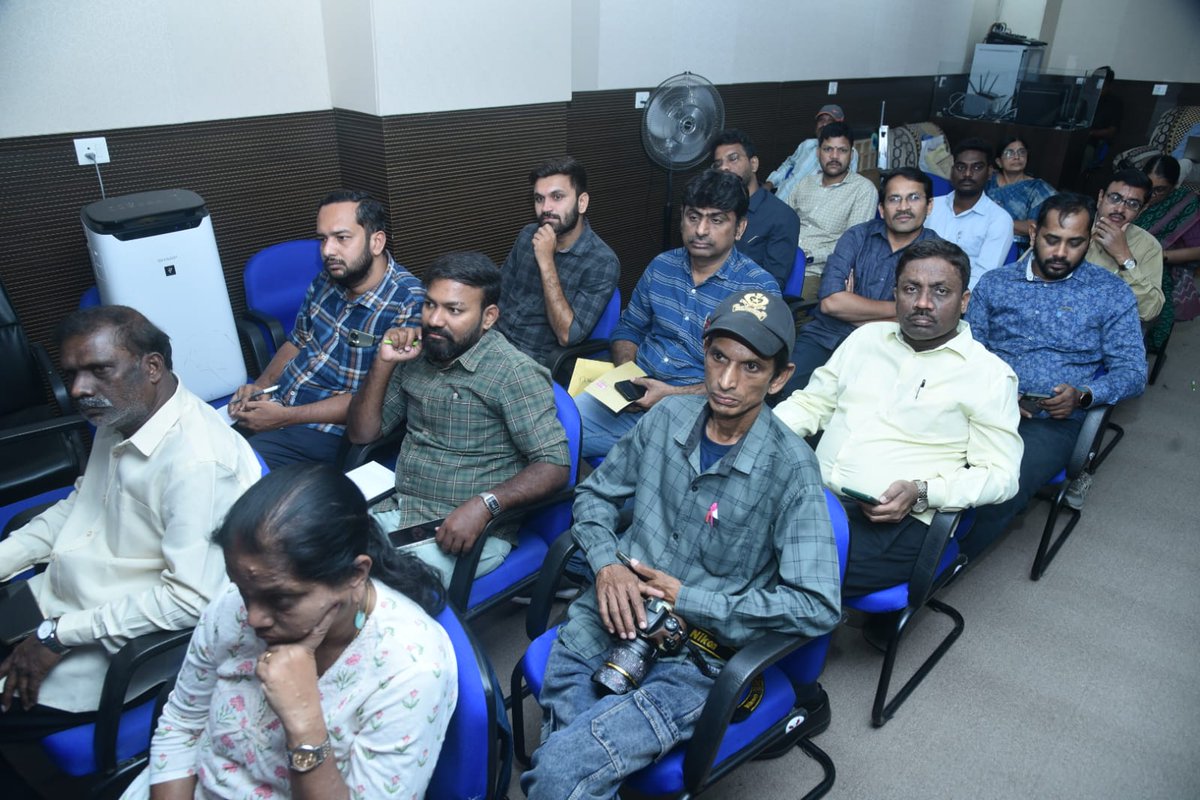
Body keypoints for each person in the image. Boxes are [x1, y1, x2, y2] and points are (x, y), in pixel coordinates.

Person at [522, 290, 842, 799]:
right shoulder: (665, 418)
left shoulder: (792, 470)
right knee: (567, 772)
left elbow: (817, 607)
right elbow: (596, 495)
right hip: (609, 612)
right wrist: (607, 566)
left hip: (694, 658)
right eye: (718, 358)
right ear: (705, 352)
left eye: (751, 367)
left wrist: (688, 598)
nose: (727, 381)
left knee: (557, 773)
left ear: (780, 377)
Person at [0, 306, 262, 798]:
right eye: (72, 373)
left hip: (121, 645)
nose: (78, 389)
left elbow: (190, 599)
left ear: (153, 367)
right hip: (62, 601)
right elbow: (82, 507)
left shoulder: (198, 463)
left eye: (98, 370)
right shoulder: (122, 414)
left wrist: (58, 635)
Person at [120, 463, 457, 800]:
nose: (252, 619)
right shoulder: (247, 594)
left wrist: (305, 721)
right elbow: (182, 723)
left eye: (281, 600)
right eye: (242, 591)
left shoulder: (410, 669)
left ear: (355, 574)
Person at [775, 239, 1021, 590]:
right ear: (895, 294)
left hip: (895, 523)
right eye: (910, 289)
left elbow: (1001, 476)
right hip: (813, 496)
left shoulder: (989, 376)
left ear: (964, 301)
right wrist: (759, 434)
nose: (922, 303)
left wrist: (922, 492)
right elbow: (812, 404)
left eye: (940, 291)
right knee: (725, 532)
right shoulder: (866, 339)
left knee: (795, 573)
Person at [347, 251, 570, 585]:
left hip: (466, 528)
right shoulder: (420, 354)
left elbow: (555, 464)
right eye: (430, 305)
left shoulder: (513, 372)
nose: (435, 320)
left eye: (454, 310)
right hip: (402, 508)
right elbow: (362, 435)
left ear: (488, 317)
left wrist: (485, 505)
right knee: (318, 551)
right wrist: (383, 361)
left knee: (370, 587)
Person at [965, 193, 1146, 556]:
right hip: (982, 402)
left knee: (1004, 486)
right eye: (1052, 239)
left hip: (1052, 418)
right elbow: (970, 353)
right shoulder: (996, 284)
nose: (1062, 252)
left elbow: (1133, 370)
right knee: (920, 456)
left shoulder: (1109, 292)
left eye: (1075, 242)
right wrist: (994, 392)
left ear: (1089, 240)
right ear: (1033, 234)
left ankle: (935, 569)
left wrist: (1084, 394)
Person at [575, 169, 778, 460]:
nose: (701, 230)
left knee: (649, 475)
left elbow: (750, 380)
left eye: (716, 220)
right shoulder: (661, 266)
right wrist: (629, 376)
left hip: (701, 410)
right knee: (555, 432)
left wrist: (669, 394)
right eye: (693, 217)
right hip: (634, 396)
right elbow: (629, 328)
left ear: (740, 228)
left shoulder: (755, 291)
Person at [228, 190, 425, 469]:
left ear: (376, 241)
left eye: (342, 238)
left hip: (323, 431)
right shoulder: (328, 278)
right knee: (201, 443)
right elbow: (297, 342)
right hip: (280, 403)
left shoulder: (409, 302)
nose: (327, 250)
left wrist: (284, 417)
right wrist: (259, 388)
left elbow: (378, 402)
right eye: (323, 239)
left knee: (232, 471)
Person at [778, 167, 942, 397]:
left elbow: (926, 319)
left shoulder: (939, 255)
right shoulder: (857, 237)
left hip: (891, 347)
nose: (903, 207)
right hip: (827, 336)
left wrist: (853, 307)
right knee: (784, 392)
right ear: (882, 209)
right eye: (894, 199)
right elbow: (831, 303)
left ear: (930, 205)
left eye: (913, 198)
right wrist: (900, 308)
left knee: (861, 406)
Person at [495, 156, 621, 366]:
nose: (546, 208)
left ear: (582, 203)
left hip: (535, 363)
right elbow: (499, 294)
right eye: (539, 199)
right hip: (495, 344)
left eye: (557, 197)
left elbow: (567, 334)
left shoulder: (602, 261)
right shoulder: (528, 235)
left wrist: (546, 261)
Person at [785, 120, 878, 300]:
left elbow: (852, 246)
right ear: (818, 152)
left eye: (842, 150)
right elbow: (783, 222)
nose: (834, 156)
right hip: (782, 262)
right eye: (828, 149)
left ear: (851, 154)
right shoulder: (805, 183)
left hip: (816, 272)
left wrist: (807, 256)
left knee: (785, 312)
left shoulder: (863, 190)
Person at [710, 129, 800, 287]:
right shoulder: (711, 210)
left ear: (753, 164)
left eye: (733, 159)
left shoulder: (781, 216)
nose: (724, 168)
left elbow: (772, 284)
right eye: (718, 164)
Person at [925, 138, 1014, 289]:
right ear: (952, 170)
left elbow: (984, 276)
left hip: (960, 299)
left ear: (990, 172)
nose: (967, 174)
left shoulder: (999, 219)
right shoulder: (931, 205)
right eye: (960, 167)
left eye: (977, 168)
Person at [1086, 168, 1165, 324]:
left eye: (1132, 204)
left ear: (1142, 209)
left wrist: (1124, 257)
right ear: (1101, 197)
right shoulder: (1072, 224)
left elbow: (1149, 311)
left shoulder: (1148, 246)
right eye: (1115, 198)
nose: (1120, 209)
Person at [1138, 154, 1200, 335]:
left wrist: (1161, 256)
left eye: (1160, 190)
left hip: (1162, 265)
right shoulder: (1130, 193)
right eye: (1148, 187)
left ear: (1174, 187)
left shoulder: (1184, 205)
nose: (1152, 194)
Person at [765, 103, 860, 204]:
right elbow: (788, 164)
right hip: (778, 199)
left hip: (803, 212)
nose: (824, 124)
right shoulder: (807, 145)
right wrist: (770, 182)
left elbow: (844, 190)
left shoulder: (847, 153)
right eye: (821, 120)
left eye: (830, 121)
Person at [984, 135, 1057, 248]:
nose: (1017, 157)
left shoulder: (1037, 188)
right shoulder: (987, 182)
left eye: (1021, 152)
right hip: (983, 240)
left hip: (1018, 247)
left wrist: (994, 222)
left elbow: (1035, 227)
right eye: (1009, 153)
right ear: (999, 162)